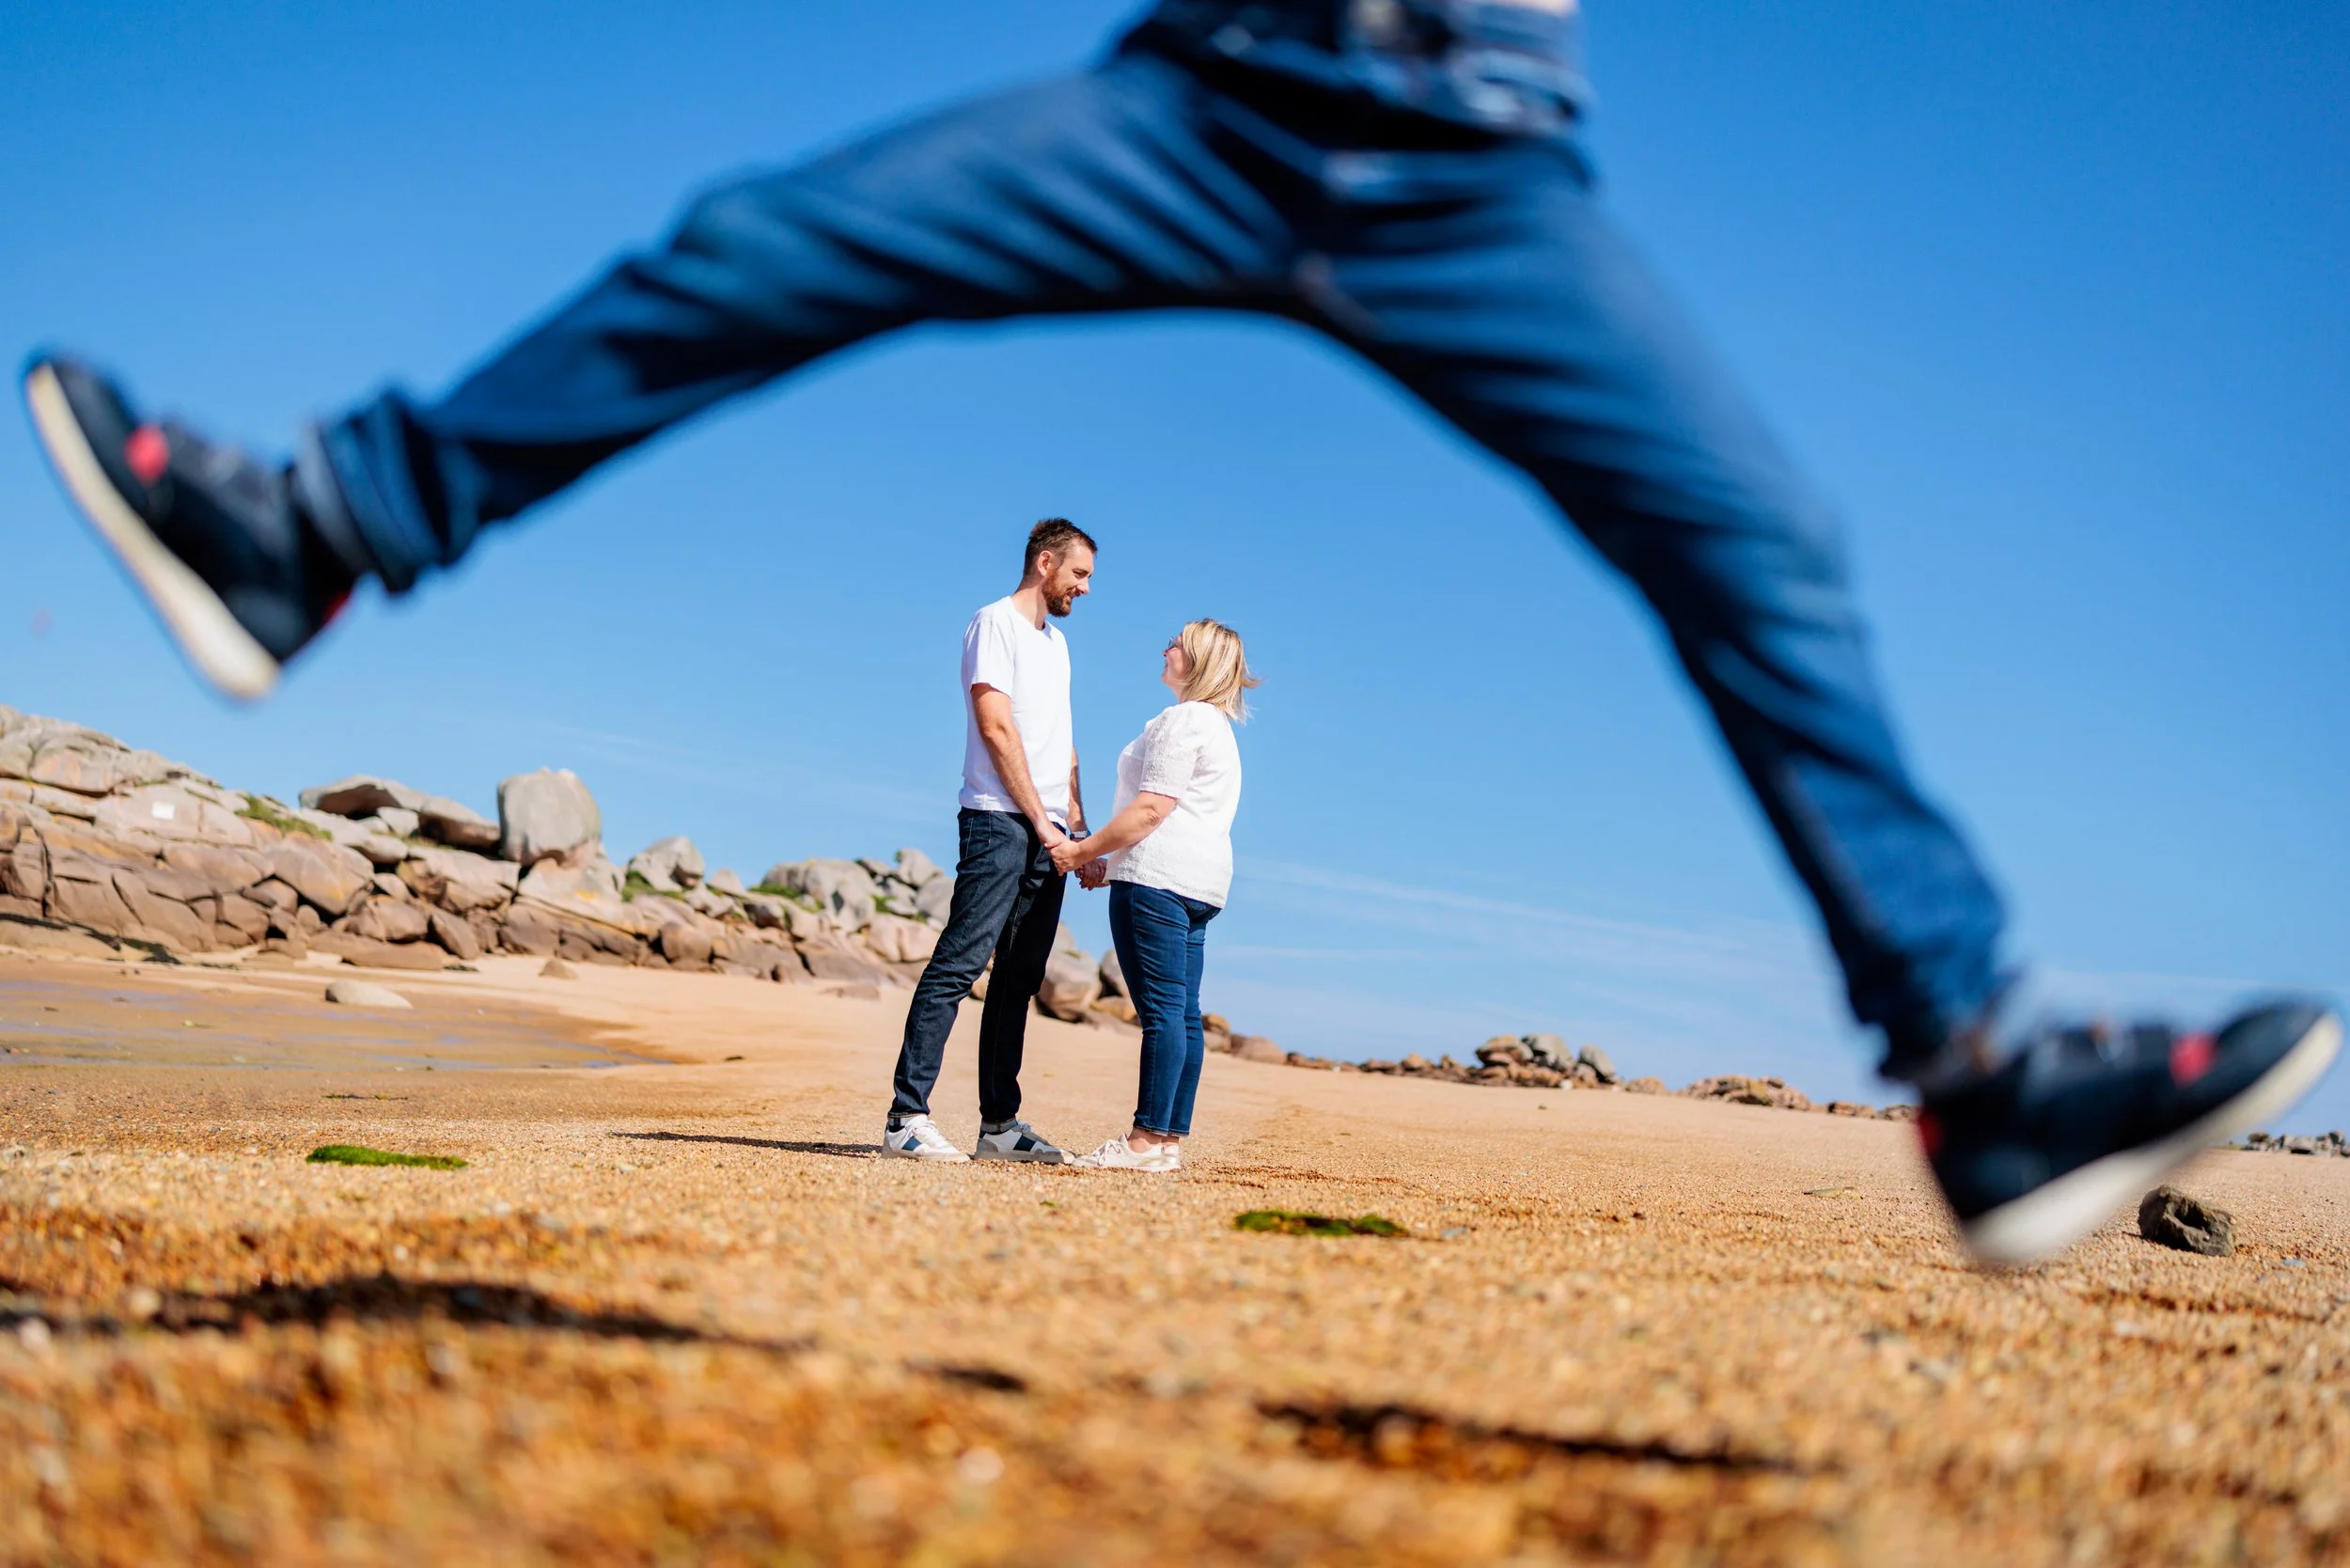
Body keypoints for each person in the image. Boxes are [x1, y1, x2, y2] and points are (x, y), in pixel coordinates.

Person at [21, 1, 2335, 1260]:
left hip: (1475, 160)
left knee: (1761, 536)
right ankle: (319, 529)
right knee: (760, 240)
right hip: (1201, 97)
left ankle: (1986, 1068)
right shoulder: (1021, 618)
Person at [879, 519, 1095, 1163]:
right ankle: (906, 1117)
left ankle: (999, 1127)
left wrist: (1076, 828)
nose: (1084, 589)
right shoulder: (992, 624)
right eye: (1080, 574)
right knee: (960, 963)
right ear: (1046, 563)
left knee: (1019, 978)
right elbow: (996, 727)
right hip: (1000, 819)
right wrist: (1041, 823)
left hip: (1050, 831)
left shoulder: (1056, 645)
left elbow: (1062, 738)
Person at [1057, 619, 1256, 1171]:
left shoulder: (1182, 719)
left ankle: (1144, 1141)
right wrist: (1106, 855)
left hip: (1159, 878)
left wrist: (1080, 852)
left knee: (1164, 1013)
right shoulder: (1217, 727)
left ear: (1196, 662)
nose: (1165, 648)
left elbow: (1152, 808)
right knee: (1183, 1014)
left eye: (1177, 643)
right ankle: (1166, 1141)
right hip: (1202, 883)